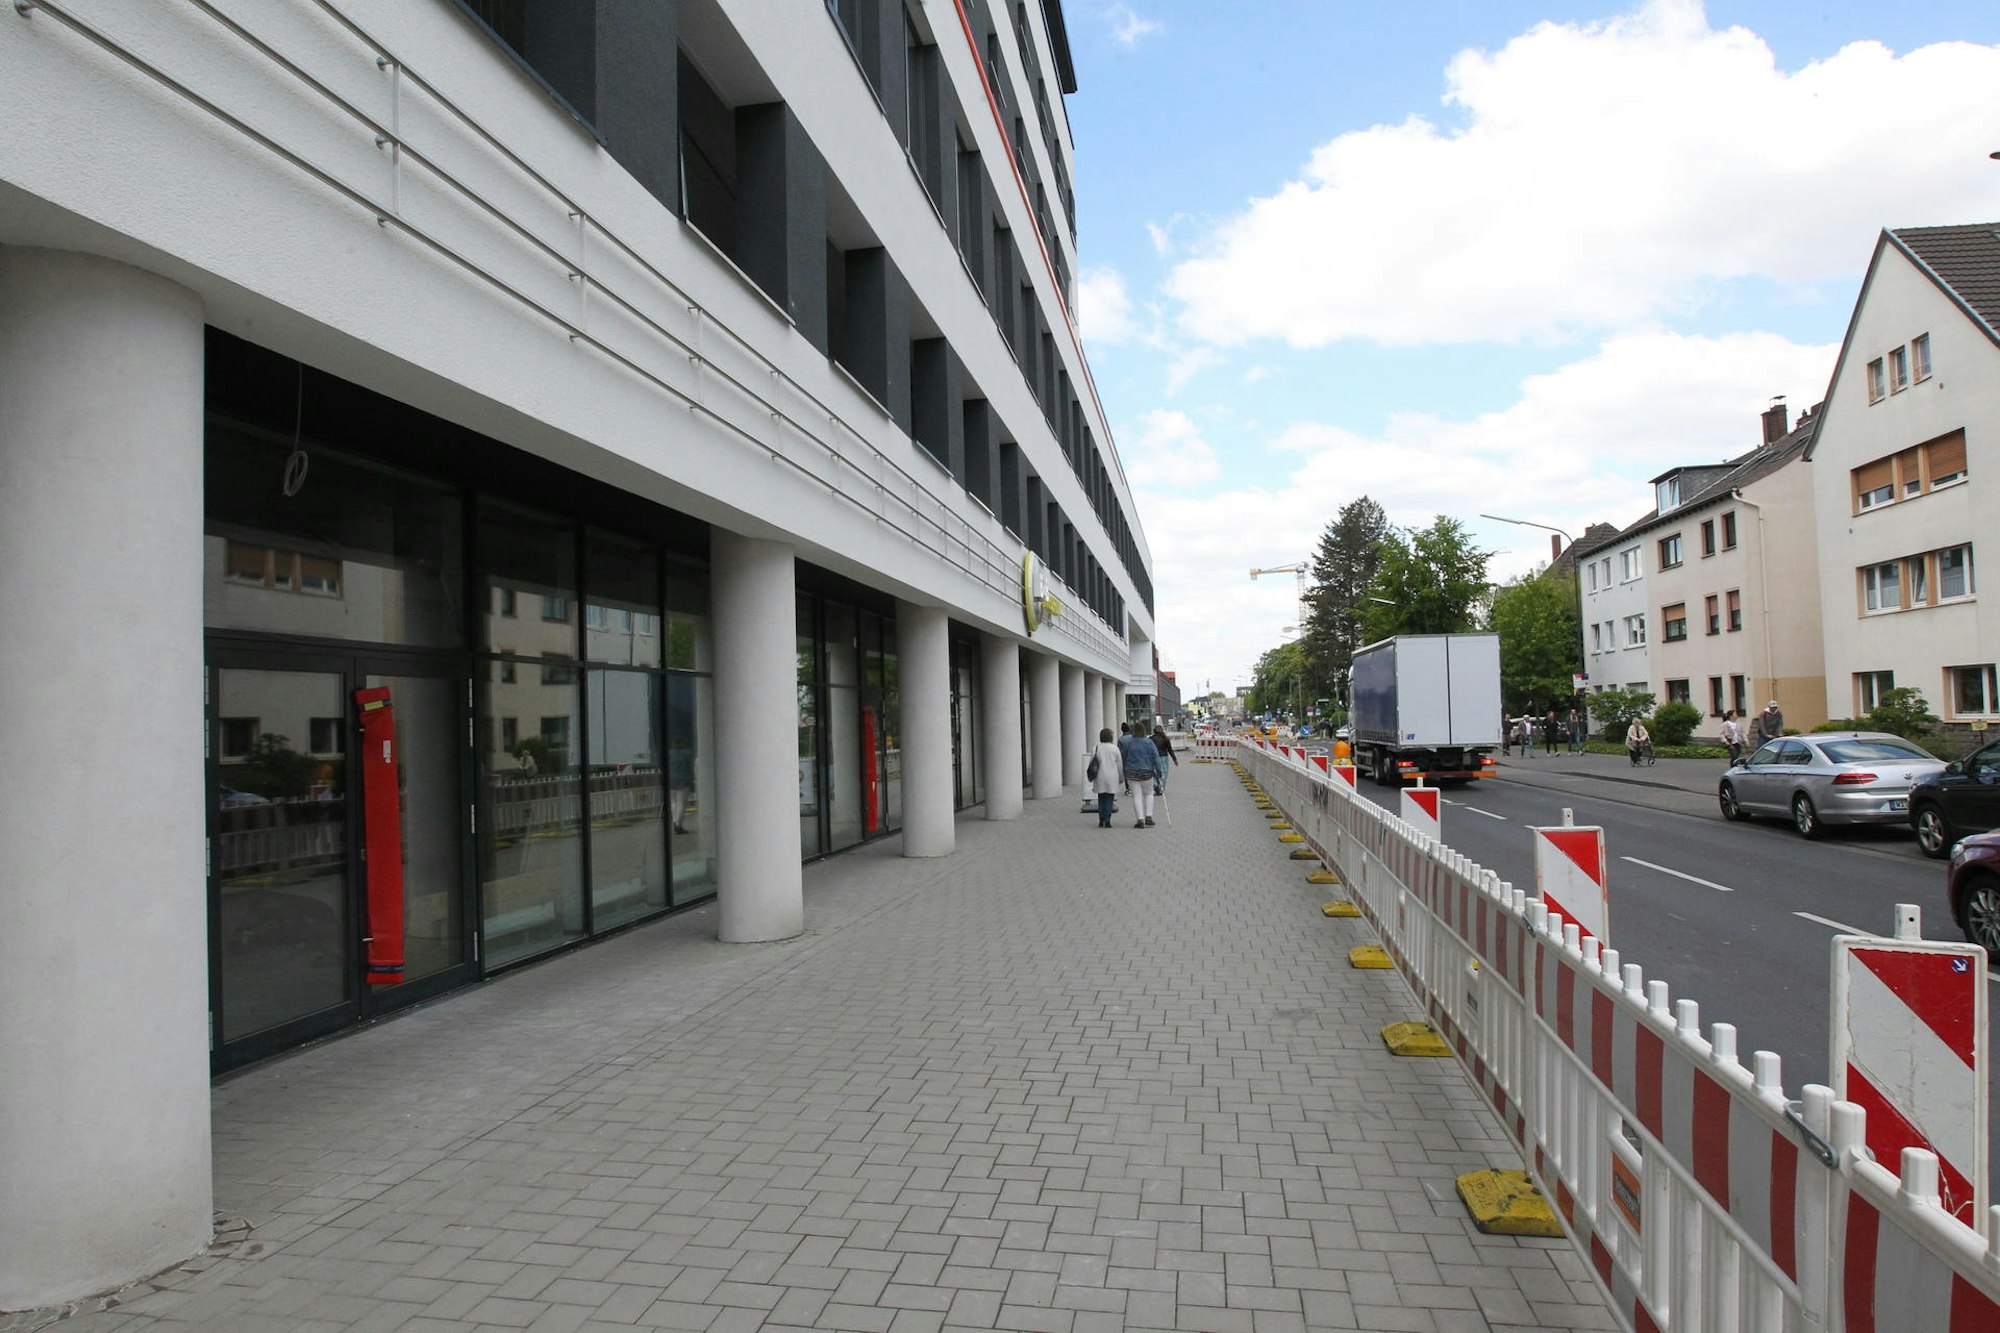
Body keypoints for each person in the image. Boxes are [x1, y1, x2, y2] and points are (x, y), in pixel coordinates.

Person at [1117, 722, 1158, 827]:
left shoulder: (1129, 743)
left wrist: (1123, 770)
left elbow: (1123, 756)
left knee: (1136, 796)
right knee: (1149, 793)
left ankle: (1140, 819)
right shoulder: (1149, 742)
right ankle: (1149, 816)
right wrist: (1159, 771)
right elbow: (1155, 757)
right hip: (1147, 771)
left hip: (1131, 772)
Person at [1089, 727, 1123, 828]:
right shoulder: (1115, 749)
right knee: (1109, 798)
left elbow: (1092, 763)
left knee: (1101, 798)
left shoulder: (1095, 748)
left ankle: (1101, 819)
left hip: (1100, 776)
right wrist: (1121, 777)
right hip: (1112, 776)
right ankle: (1107, 820)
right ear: (1111, 737)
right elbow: (1119, 765)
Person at [1151, 726, 1178, 797]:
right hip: (1163, 758)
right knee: (1164, 774)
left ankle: (1155, 784)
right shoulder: (1165, 739)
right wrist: (1174, 759)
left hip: (1153, 758)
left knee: (1154, 772)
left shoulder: (1151, 739)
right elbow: (1170, 750)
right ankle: (1161, 788)